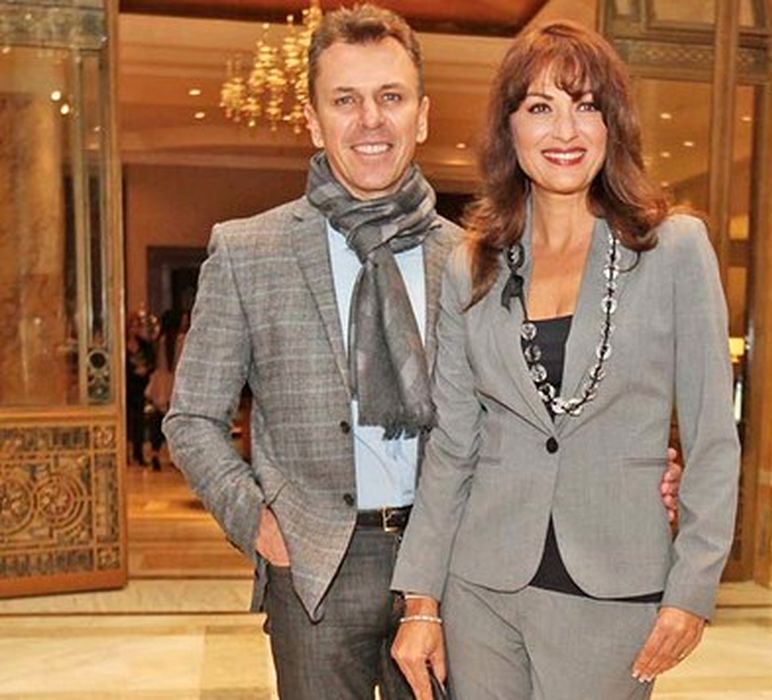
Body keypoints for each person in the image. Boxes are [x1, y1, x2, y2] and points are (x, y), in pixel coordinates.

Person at [164, 7, 680, 699]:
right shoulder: (248, 251)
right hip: (316, 567)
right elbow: (191, 418)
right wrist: (260, 523)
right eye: (345, 100)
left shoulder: (475, 258)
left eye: (391, 97)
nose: (370, 120)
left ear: (423, 115)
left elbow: (530, 409)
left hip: (455, 559)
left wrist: (633, 465)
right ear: (313, 120)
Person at [390, 20, 740, 700]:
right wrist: (422, 600)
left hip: (616, 591)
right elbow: (454, 446)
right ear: (509, 128)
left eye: (586, 106)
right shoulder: (473, 265)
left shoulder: (673, 250)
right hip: (481, 586)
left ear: (613, 125)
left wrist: (693, 587)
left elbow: (711, 437)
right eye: (539, 108)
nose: (565, 131)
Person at [146, 308, 187, 471]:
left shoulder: (160, 340)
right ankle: (174, 455)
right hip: (175, 382)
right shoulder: (182, 340)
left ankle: (155, 452)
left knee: (157, 419)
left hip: (160, 382)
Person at [125, 311, 155, 466]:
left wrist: (145, 369)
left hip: (140, 386)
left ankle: (138, 453)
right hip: (126, 386)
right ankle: (125, 453)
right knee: (126, 420)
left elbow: (152, 361)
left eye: (137, 326)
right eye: (132, 326)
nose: (135, 329)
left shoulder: (144, 344)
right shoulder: (121, 344)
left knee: (139, 420)